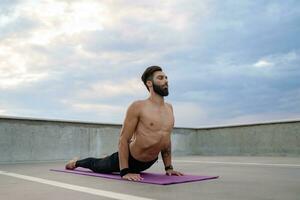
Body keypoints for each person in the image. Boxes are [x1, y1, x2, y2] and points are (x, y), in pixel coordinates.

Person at [65, 66, 183, 181]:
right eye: (160, 78)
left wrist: (169, 168)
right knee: (97, 165)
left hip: (149, 161)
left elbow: (166, 140)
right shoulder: (138, 106)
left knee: (104, 161)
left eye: (166, 77)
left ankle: (106, 157)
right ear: (149, 83)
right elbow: (124, 138)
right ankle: (75, 162)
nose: (166, 81)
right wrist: (125, 171)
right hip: (131, 159)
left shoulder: (169, 108)